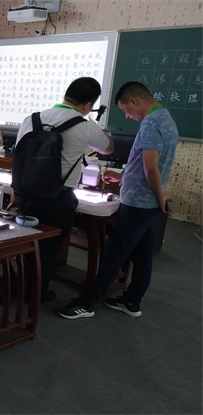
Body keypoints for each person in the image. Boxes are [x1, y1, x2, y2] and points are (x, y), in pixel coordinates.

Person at [58, 81, 179, 320]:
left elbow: (151, 168)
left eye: (125, 110)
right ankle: (132, 300)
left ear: (134, 101)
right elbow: (147, 167)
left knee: (114, 254)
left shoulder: (151, 123)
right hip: (147, 203)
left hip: (138, 203)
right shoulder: (166, 119)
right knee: (142, 255)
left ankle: (86, 303)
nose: (127, 116)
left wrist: (160, 195)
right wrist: (123, 177)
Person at [14, 77, 114, 303]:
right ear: (88, 105)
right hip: (57, 199)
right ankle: (36, 294)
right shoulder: (85, 125)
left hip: (25, 194)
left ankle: (20, 284)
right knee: (49, 248)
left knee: (25, 240)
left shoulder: (32, 118)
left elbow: (19, 155)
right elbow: (108, 149)